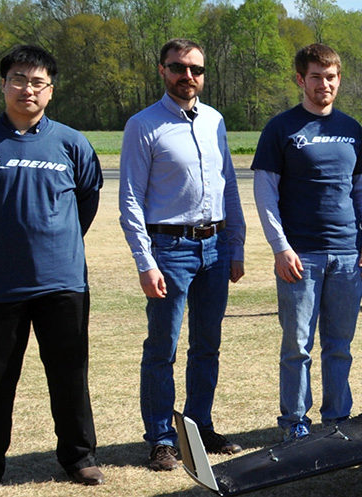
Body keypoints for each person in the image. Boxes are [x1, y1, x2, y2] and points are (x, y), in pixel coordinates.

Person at [0, 45, 104, 495]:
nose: (27, 89)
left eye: (38, 82)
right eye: (19, 79)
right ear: (3, 84)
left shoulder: (71, 142)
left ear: (51, 91)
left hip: (63, 283)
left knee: (69, 375)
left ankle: (79, 458)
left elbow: (87, 200)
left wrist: (57, 241)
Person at [119, 38, 246, 471]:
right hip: (169, 249)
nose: (187, 76)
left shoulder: (214, 120)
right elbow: (131, 199)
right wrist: (145, 260)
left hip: (215, 246)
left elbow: (229, 183)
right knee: (162, 348)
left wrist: (236, 245)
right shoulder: (143, 124)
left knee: (207, 344)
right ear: (162, 70)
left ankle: (199, 426)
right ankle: (160, 438)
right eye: (178, 67)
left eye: (195, 69)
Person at [251, 43, 362, 441]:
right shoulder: (281, 128)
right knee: (298, 347)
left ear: (339, 79)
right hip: (300, 256)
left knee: (339, 346)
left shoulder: (351, 129)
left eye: (331, 77)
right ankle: (295, 424)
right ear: (300, 79)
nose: (324, 84)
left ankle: (338, 420)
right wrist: (280, 247)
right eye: (316, 77)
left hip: (347, 255)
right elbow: (265, 192)